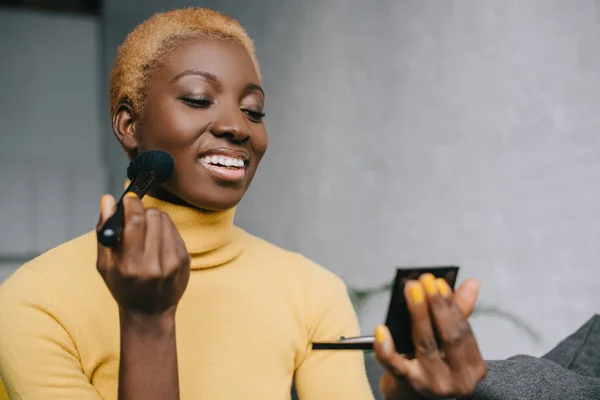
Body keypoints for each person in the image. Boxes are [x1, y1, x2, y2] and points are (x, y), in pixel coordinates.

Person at [0, 7, 486, 400]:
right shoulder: (36, 302)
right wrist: (147, 323)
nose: (238, 126)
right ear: (129, 125)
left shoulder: (312, 291)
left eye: (253, 110)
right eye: (197, 99)